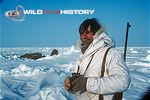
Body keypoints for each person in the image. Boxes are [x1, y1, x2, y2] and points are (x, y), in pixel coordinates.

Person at [64, 18, 130, 100]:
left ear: (97, 33)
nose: (84, 36)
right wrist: (72, 85)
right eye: (81, 33)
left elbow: (122, 81)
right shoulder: (82, 58)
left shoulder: (111, 53)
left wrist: (86, 83)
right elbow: (81, 88)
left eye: (88, 32)